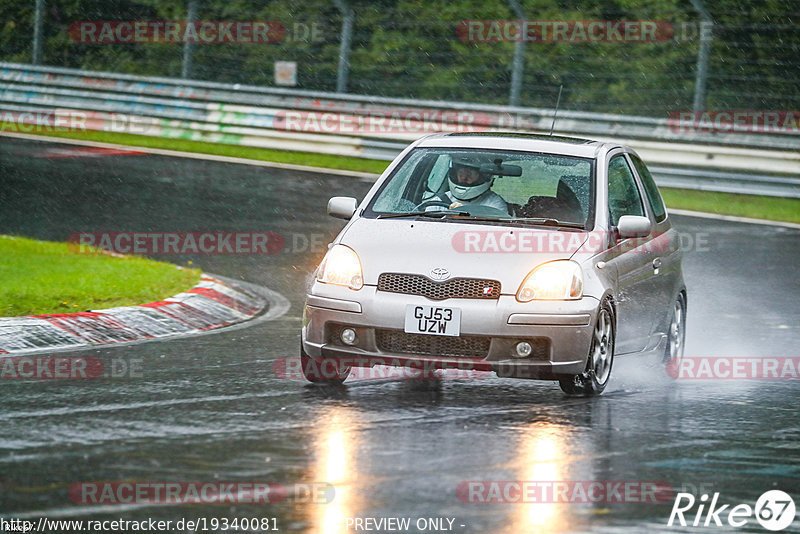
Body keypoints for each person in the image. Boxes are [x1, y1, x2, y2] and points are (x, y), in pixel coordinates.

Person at [425, 158, 508, 213]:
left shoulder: (494, 204)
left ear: (483, 176)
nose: (464, 177)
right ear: (454, 174)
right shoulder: (438, 203)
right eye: (461, 173)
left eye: (470, 174)